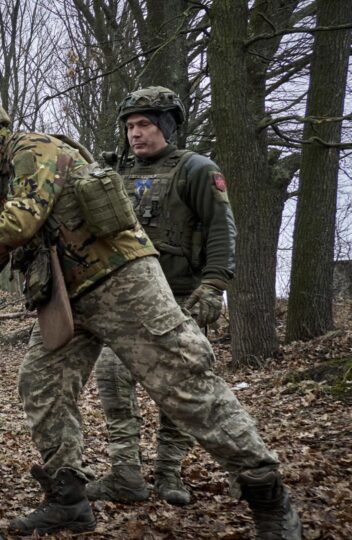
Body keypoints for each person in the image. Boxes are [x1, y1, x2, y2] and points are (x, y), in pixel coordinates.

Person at [0, 91, 301, 539]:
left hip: (122, 280)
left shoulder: (33, 150)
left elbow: (19, 223)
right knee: (42, 385)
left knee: (184, 383)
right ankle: (68, 501)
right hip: (66, 295)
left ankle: (268, 497)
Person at [86, 86, 237, 507]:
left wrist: (213, 287)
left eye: (145, 124)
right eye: (130, 126)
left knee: (179, 389)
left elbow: (222, 230)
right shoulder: (114, 173)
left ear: (167, 126)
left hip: (181, 296)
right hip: (126, 300)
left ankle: (169, 473)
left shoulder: (197, 170)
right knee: (113, 380)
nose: (135, 134)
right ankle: (125, 472)